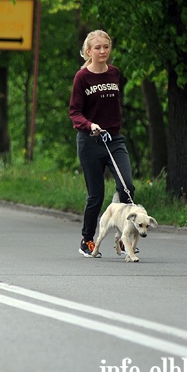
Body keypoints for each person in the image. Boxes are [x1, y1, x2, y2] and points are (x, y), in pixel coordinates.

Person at [69, 30, 135, 257]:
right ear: (88, 51)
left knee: (127, 186)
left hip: (114, 139)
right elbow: (75, 112)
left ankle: (124, 238)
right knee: (95, 195)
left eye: (106, 47)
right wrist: (90, 125)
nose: (102, 51)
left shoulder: (115, 73)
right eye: (97, 48)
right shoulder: (82, 77)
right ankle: (87, 239)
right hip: (90, 141)